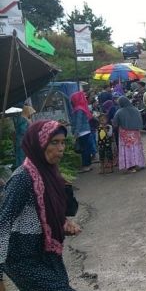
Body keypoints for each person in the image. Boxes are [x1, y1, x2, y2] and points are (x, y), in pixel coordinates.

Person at [0, 120, 81, 290]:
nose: (61, 148)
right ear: (40, 144)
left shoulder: (49, 172)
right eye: (54, 142)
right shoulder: (23, 178)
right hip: (21, 258)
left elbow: (47, 212)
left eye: (62, 142)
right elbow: (3, 222)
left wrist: (64, 223)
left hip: (45, 252)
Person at [112, 96, 146, 173]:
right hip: (135, 133)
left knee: (127, 150)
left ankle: (130, 166)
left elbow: (115, 123)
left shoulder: (119, 112)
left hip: (125, 134)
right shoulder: (135, 110)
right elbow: (141, 121)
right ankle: (139, 163)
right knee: (136, 148)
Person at [71, 91, 94, 173]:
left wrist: (75, 134)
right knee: (86, 149)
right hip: (86, 131)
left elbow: (78, 122)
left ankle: (86, 166)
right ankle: (88, 165)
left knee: (84, 150)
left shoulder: (78, 109)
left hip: (82, 132)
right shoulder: (82, 107)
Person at [12, 103, 36, 169]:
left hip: (22, 140)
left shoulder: (24, 119)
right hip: (22, 141)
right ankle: (23, 169)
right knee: (22, 156)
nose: (31, 114)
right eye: (30, 113)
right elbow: (23, 130)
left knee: (22, 156)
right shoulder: (23, 120)